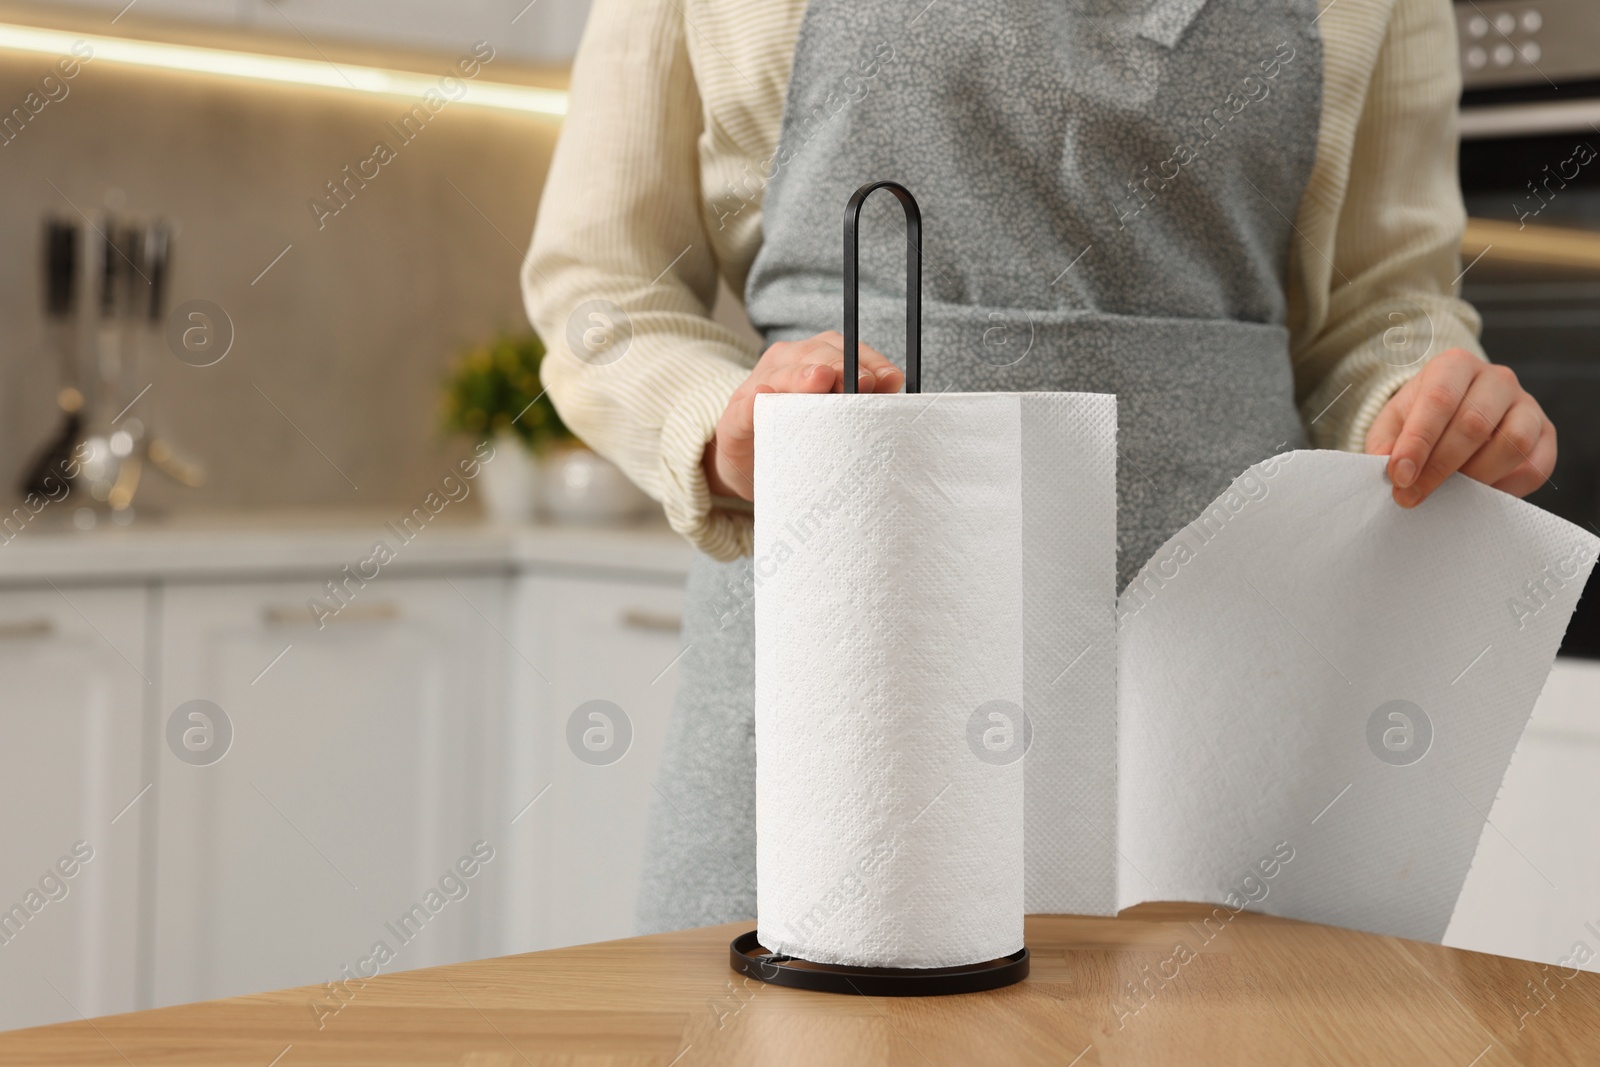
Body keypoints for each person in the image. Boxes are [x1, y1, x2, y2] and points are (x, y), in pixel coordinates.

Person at [522, 0, 1557, 934]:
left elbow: (1380, 308)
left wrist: (1424, 403)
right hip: (840, 652)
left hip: (1222, 688)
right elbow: (602, 289)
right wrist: (723, 421)